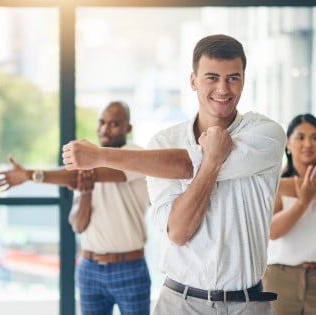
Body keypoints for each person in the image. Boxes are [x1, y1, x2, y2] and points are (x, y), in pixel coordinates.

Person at [62, 34, 285, 315]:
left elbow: (185, 164)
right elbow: (178, 232)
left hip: (248, 304)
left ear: (243, 80)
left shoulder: (266, 134)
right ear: (193, 81)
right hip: (179, 303)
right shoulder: (163, 144)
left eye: (233, 78)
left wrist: (101, 155)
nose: (223, 88)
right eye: (212, 77)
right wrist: (213, 160)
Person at [0, 101, 151, 315]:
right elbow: (78, 224)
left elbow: (92, 173)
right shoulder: (86, 167)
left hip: (129, 267)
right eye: (101, 122)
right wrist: (85, 192)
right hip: (89, 267)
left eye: (114, 124)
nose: (105, 129)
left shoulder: (134, 155)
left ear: (127, 128)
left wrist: (30, 175)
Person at [262, 113, 316, 315]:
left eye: (315, 137)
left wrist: (289, 189)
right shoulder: (278, 185)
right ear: (288, 145)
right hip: (281, 277)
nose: (308, 143)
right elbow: (272, 231)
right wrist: (303, 201)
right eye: (300, 137)